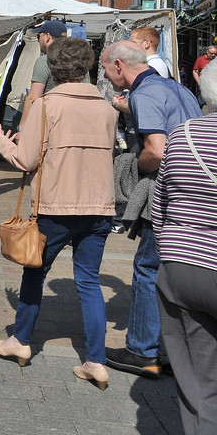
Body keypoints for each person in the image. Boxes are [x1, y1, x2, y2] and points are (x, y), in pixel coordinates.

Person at [0, 38, 116, 389]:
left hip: (56, 206)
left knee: (35, 273)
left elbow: (26, 160)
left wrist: (4, 144)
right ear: (87, 66)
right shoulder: (107, 109)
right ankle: (96, 360)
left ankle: (20, 341)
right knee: (89, 283)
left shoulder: (46, 106)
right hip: (99, 207)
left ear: (53, 67)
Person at [100, 40, 201, 378]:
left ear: (118, 66)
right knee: (175, 274)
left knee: (148, 268)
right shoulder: (177, 88)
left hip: (170, 193)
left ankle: (143, 351)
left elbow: (157, 151)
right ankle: (173, 351)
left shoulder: (144, 95)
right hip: (197, 194)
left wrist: (131, 168)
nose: (106, 77)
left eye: (105, 70)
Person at [152, 58, 217, 434]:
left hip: (182, 267)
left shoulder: (184, 133)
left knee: (199, 385)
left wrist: (173, 251)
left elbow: (160, 204)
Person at [17, 20, 66, 136]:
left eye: (39, 36)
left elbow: (33, 97)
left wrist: (22, 129)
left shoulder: (44, 61)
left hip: (48, 122)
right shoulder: (75, 61)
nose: (38, 40)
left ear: (47, 37)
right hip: (69, 120)